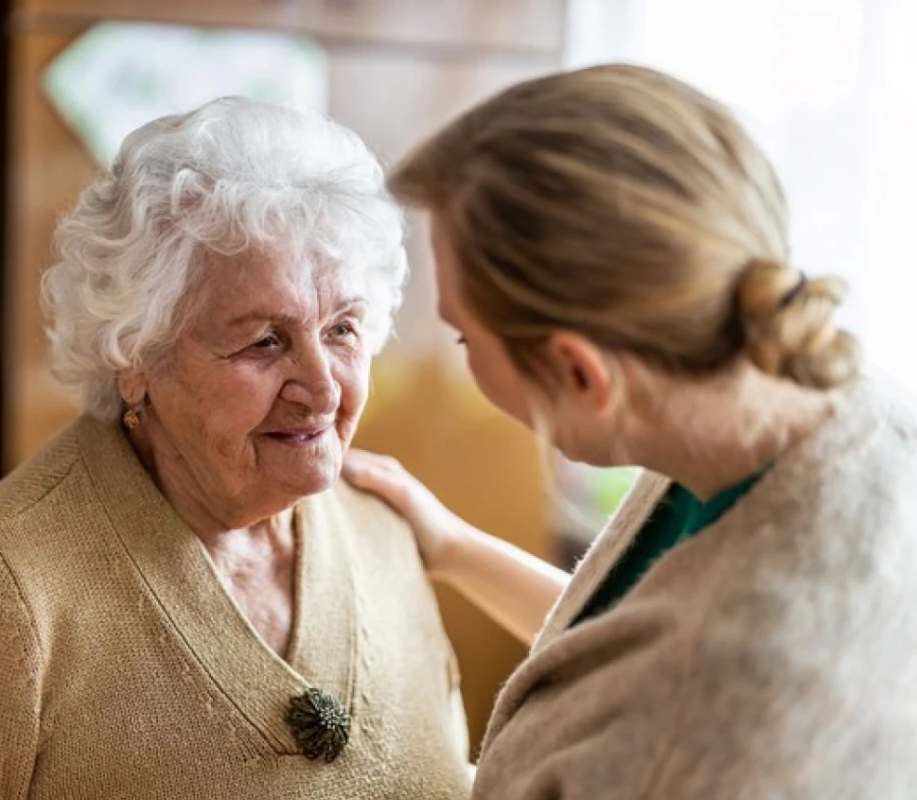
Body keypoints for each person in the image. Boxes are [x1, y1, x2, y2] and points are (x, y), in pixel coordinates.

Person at [0, 97, 472, 800]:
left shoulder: (385, 532)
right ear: (136, 356)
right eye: (265, 340)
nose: (322, 390)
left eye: (344, 330)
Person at [344, 64, 917, 798]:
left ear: (580, 374)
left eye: (463, 340)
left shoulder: (736, 716)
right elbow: (630, 643)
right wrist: (452, 547)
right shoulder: (796, 405)